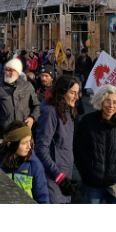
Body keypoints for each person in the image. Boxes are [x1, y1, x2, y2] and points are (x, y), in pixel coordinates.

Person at [73, 83, 116, 204]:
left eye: (115, 102)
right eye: (107, 101)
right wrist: (86, 172)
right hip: (92, 183)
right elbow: (78, 148)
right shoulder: (87, 121)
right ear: (100, 101)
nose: (111, 105)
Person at [34, 74, 81, 203]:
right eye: (73, 93)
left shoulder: (67, 111)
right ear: (61, 92)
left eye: (77, 93)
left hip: (64, 175)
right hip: (52, 178)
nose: (77, 97)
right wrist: (58, 176)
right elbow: (41, 149)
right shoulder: (50, 112)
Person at [0, 57, 40, 142]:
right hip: (5, 137)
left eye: (10, 70)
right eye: (6, 69)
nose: (6, 72)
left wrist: (32, 118)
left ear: (18, 72)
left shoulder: (28, 86)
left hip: (24, 135)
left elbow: (36, 105)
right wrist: (1, 124)